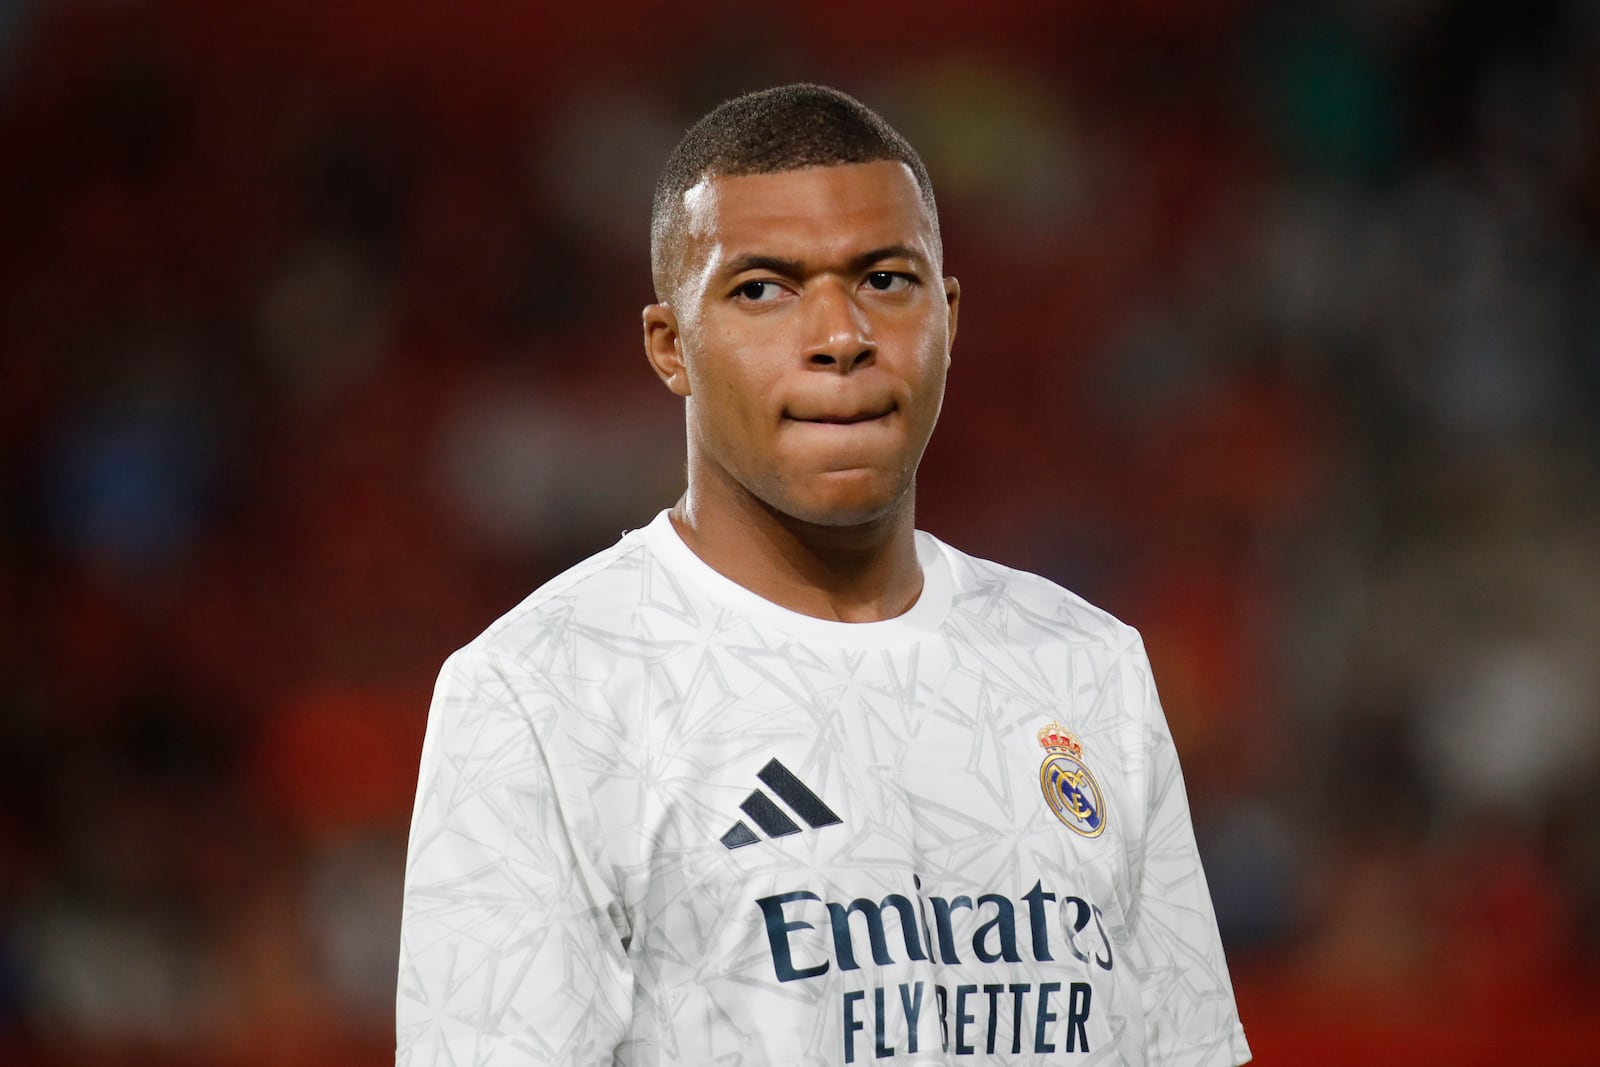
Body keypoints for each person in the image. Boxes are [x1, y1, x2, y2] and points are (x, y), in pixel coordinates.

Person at [396, 83, 1251, 1066]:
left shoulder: (1088, 665)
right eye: (762, 287)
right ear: (671, 346)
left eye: (886, 279)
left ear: (950, 314)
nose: (841, 335)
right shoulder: (542, 696)